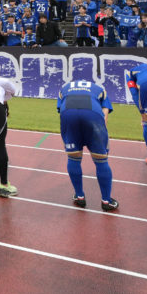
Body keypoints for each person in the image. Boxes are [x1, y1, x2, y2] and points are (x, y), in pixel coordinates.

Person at [57, 79, 118, 211]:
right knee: (101, 160)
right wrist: (101, 135)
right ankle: (106, 200)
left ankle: (79, 197)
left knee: (73, 157)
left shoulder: (64, 88)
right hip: (92, 114)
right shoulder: (99, 89)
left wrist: (66, 139)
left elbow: (61, 111)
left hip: (68, 114)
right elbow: (105, 112)